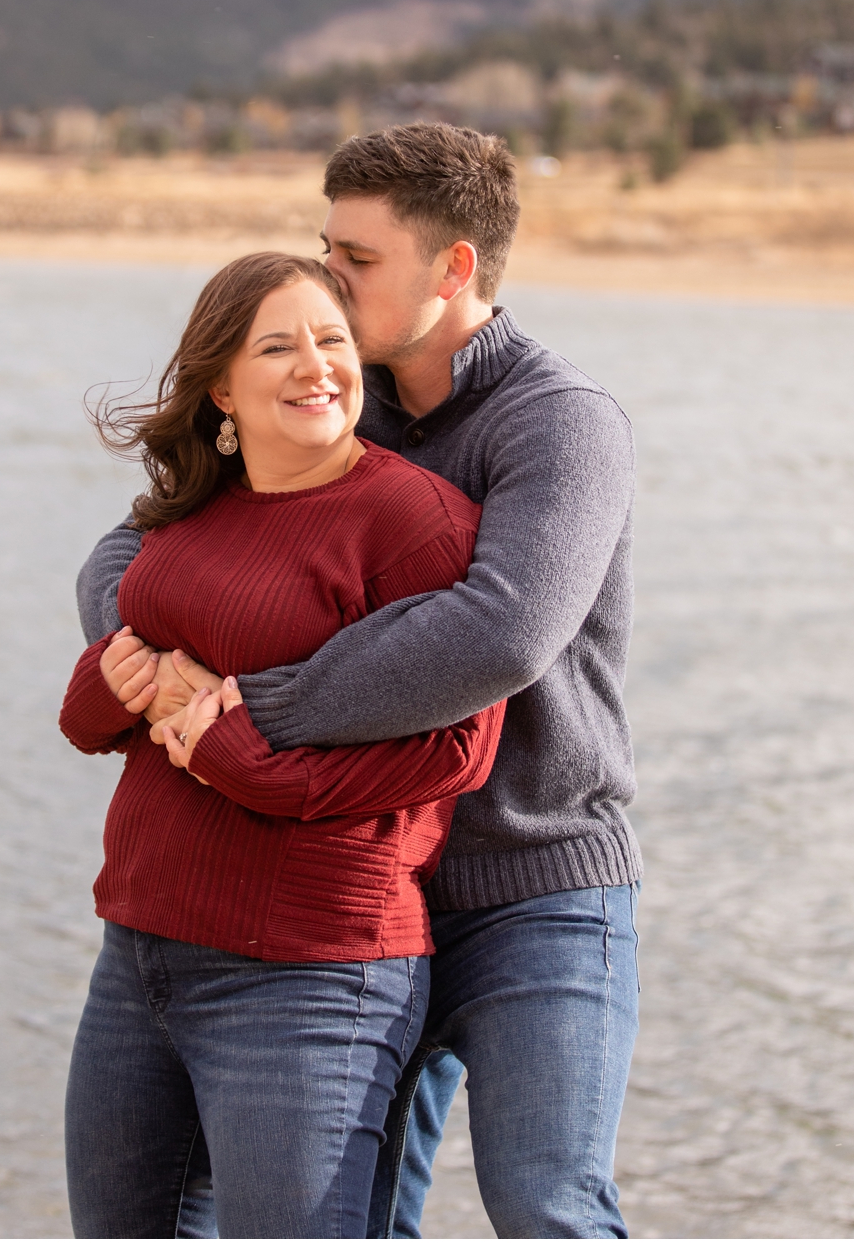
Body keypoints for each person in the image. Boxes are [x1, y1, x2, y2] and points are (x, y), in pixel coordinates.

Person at [79, 122, 641, 1238]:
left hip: (537, 880)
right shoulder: (338, 400)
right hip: (373, 883)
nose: (328, 279)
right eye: (326, 246)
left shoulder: (560, 423)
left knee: (547, 1204)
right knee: (372, 1218)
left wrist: (254, 708)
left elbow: (503, 632)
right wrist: (148, 665)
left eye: (358, 260)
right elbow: (129, 554)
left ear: (455, 267)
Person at [59, 251, 502, 1237]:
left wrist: (243, 758)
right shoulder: (191, 512)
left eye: (333, 341)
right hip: (138, 956)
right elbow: (107, 706)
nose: (317, 366)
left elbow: (459, 750)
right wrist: (106, 688)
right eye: (279, 346)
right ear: (223, 382)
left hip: (308, 976)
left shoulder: (414, 524)